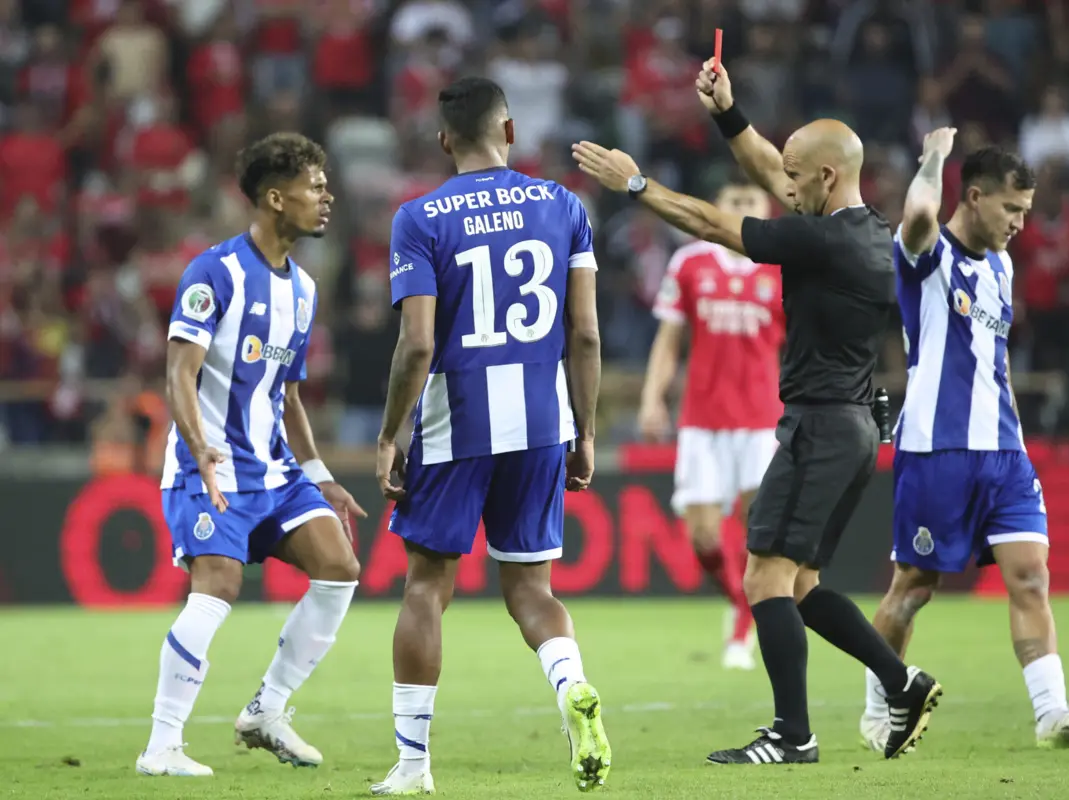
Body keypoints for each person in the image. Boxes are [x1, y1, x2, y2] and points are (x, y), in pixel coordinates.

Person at [572, 59, 941, 766]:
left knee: (764, 580)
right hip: (856, 424)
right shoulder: (865, 230)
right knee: (800, 585)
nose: (785, 185)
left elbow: (713, 222)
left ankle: (793, 735)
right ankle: (903, 681)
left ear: (826, 179)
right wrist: (727, 114)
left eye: (798, 177)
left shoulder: (818, 240)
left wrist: (636, 185)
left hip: (821, 423)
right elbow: (775, 168)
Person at [371, 77, 611, 795]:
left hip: (456, 425)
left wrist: (391, 433)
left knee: (426, 588)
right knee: (533, 591)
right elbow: (587, 333)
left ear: (444, 139)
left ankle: (414, 766)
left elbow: (416, 347)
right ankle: (572, 685)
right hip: (543, 423)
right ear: (509, 132)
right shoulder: (565, 205)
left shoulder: (419, 217)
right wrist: (587, 428)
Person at [858, 129, 1069, 752]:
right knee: (913, 589)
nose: (1020, 225)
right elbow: (921, 211)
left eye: (1026, 212)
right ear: (974, 197)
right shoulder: (924, 256)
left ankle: (1051, 714)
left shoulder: (1002, 266)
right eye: (1011, 209)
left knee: (1030, 576)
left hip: (1005, 451)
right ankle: (879, 707)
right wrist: (932, 156)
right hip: (935, 450)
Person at [138, 132, 367, 778]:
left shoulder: (304, 289)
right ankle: (162, 744)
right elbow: (179, 374)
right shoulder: (215, 272)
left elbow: (288, 395)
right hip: (207, 466)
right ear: (274, 197)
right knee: (219, 586)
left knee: (340, 566)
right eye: (314, 186)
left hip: (274, 470)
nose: (327, 197)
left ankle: (268, 708)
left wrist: (320, 475)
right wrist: (201, 449)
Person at [641, 178, 784, 670]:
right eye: (733, 200)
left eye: (751, 201)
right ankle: (738, 602)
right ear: (716, 207)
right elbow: (668, 340)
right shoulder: (691, 262)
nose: (742, 208)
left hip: (762, 420)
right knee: (703, 537)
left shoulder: (782, 265)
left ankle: (742, 631)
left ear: (764, 209)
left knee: (755, 535)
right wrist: (652, 397)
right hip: (702, 419)